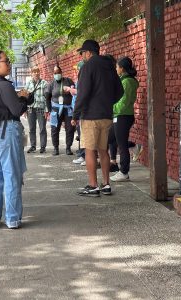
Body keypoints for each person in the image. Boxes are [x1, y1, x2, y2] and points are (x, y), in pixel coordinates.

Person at [0, 50, 32, 229]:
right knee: (12, 176)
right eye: (6, 61)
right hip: (6, 131)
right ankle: (12, 218)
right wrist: (25, 98)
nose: (9, 64)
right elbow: (17, 110)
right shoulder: (4, 85)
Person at [72, 40, 123, 197]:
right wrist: (107, 103)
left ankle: (93, 185)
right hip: (106, 115)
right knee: (104, 151)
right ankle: (106, 184)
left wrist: (75, 114)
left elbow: (83, 93)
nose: (82, 56)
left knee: (89, 150)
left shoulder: (88, 67)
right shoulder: (109, 66)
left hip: (90, 116)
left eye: (82, 53)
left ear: (88, 52)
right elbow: (120, 91)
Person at [109, 57, 139, 182]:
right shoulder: (125, 80)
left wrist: (112, 109)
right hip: (120, 116)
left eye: (117, 67)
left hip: (122, 116)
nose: (116, 69)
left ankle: (124, 172)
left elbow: (123, 102)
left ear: (122, 68)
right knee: (111, 139)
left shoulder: (127, 82)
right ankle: (134, 146)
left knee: (121, 145)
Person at [45, 66, 76, 156]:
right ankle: (56, 148)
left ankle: (68, 147)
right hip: (55, 109)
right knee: (55, 129)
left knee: (70, 128)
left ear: (61, 72)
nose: (56, 74)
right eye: (55, 73)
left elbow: (74, 93)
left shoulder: (68, 81)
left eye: (58, 72)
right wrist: (50, 111)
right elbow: (47, 98)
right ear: (53, 74)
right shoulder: (51, 84)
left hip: (68, 109)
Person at [25, 66, 48, 154]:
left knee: (42, 128)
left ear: (39, 72)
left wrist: (46, 110)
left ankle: (43, 147)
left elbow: (47, 98)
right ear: (31, 73)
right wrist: (24, 109)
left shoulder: (44, 83)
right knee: (31, 129)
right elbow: (24, 97)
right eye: (34, 72)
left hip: (41, 108)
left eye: (37, 71)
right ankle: (33, 146)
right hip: (30, 109)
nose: (36, 73)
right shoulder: (28, 83)